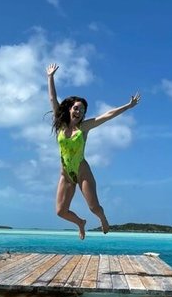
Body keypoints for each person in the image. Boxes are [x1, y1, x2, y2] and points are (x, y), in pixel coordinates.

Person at [46, 62, 140, 239]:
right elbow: (52, 99)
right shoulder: (61, 124)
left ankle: (103, 218)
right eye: (76, 108)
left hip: (82, 172)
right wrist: (50, 77)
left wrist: (127, 106)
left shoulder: (85, 127)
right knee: (60, 211)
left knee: (93, 207)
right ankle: (80, 223)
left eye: (82, 109)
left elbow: (107, 115)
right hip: (65, 174)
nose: (79, 111)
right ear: (69, 109)